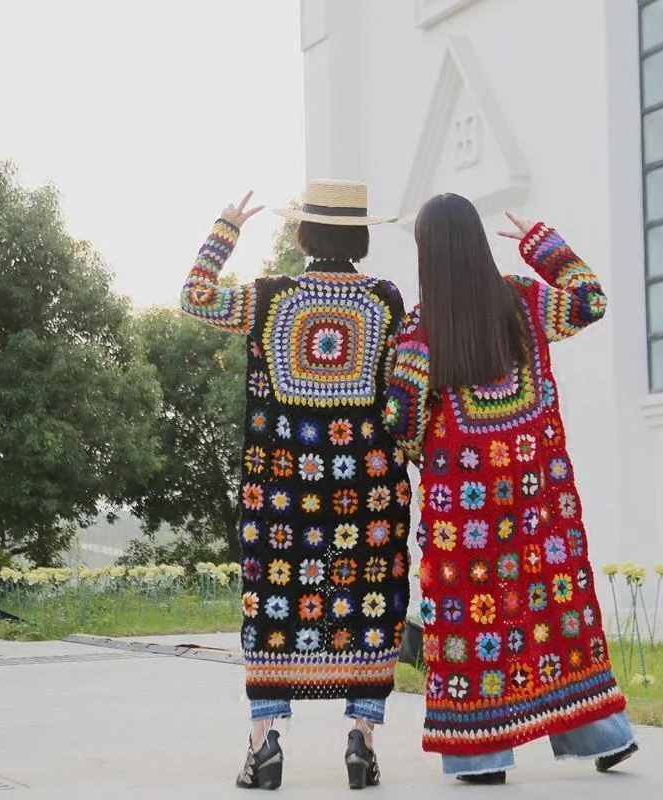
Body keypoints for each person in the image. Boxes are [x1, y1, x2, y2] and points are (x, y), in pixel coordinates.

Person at [384, 193, 637, 783]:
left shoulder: (421, 329)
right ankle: (603, 734)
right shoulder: (526, 302)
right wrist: (542, 243)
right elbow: (590, 300)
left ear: (426, 253)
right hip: (537, 497)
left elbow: (401, 418)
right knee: (555, 610)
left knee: (471, 625)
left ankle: (481, 754)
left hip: (461, 507)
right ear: (476, 241)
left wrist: (425, 452)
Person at [180, 180, 411, 791]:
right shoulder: (386, 302)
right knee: (368, 603)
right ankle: (362, 744)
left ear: (304, 234)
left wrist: (225, 230)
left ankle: (265, 748)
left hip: (281, 490)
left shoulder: (269, 298)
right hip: (369, 491)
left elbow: (196, 298)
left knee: (272, 607)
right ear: (360, 236)